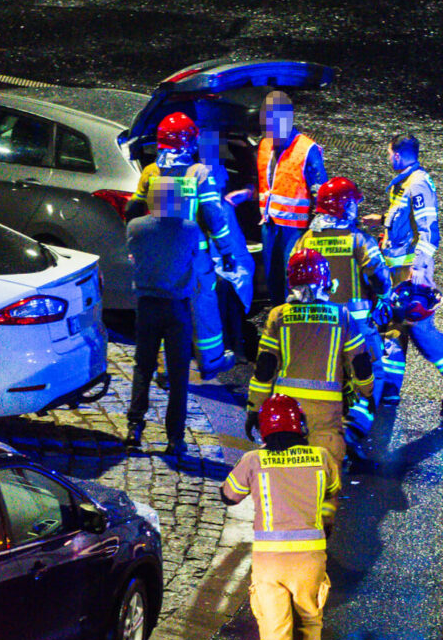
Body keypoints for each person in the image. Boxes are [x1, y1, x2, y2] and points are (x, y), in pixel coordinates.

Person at [221, 394, 340, 640]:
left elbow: (229, 495)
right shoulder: (322, 457)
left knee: (274, 639)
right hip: (310, 560)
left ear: (265, 429)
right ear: (299, 426)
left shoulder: (253, 460)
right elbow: (332, 495)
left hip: (270, 563)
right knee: (309, 631)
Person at [125, 112, 249, 377]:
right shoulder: (199, 173)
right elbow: (213, 216)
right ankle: (211, 361)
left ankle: (164, 370)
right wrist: (227, 251)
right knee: (203, 307)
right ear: (189, 143)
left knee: (165, 309)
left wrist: (137, 247)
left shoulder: (151, 172)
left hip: (159, 257)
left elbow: (134, 209)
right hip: (194, 257)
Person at [366, 132, 443, 420]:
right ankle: (389, 389)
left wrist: (420, 271)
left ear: (397, 155)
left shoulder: (419, 184)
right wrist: (382, 220)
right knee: (392, 326)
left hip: (411, 272)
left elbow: (430, 232)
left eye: (389, 154)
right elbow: (405, 220)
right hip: (396, 271)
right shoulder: (404, 184)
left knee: (420, 330)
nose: (388, 158)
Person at [292, 176, 391, 460]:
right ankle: (352, 432)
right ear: (345, 208)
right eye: (352, 204)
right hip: (357, 325)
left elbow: (295, 279)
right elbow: (379, 278)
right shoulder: (360, 240)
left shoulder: (306, 240)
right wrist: (384, 298)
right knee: (372, 374)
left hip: (319, 324)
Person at [245, 248, 374, 467]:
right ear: (325, 280)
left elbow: (265, 369)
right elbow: (359, 362)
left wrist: (254, 409)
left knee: (289, 470)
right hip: (327, 409)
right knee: (326, 471)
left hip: (287, 410)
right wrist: (367, 392)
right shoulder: (342, 315)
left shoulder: (278, 315)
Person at [124, 177, 203, 456]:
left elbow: (133, 255)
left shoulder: (136, 227)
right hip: (177, 308)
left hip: (147, 305)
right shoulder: (190, 229)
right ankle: (175, 438)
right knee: (179, 374)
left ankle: (134, 427)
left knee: (143, 367)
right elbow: (196, 258)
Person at [225, 91, 327, 307]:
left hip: (296, 231)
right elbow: (263, 182)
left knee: (294, 284)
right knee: (273, 281)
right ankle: (279, 322)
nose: (269, 131)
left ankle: (293, 329)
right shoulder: (264, 145)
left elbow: (321, 197)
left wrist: (315, 234)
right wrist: (246, 193)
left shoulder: (307, 150)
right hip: (270, 227)